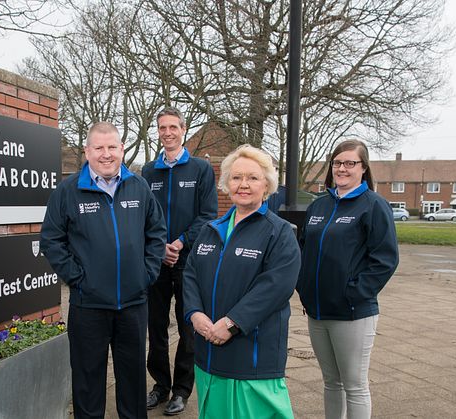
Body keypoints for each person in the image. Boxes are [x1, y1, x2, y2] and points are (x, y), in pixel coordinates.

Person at [40, 122, 167, 419]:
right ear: (87, 151)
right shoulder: (68, 190)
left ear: (122, 149)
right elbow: (51, 239)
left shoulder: (139, 187)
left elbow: (157, 233)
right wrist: (78, 279)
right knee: (87, 383)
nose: (106, 154)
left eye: (112, 147)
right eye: (99, 148)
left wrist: (146, 274)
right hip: (89, 306)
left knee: (134, 382)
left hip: (133, 306)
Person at [182, 144, 300, 419]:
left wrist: (232, 323)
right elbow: (190, 274)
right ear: (226, 183)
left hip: (252, 358)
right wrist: (194, 313)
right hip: (209, 354)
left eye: (252, 178)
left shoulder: (279, 232)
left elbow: (276, 287)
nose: (243, 185)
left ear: (266, 184)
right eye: (236, 177)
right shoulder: (210, 230)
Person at [296, 139, 398, 419]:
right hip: (317, 311)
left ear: (363, 168)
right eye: (338, 163)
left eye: (350, 163)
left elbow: (385, 260)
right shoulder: (319, 206)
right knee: (331, 382)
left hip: (352, 313)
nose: (343, 168)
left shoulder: (373, 206)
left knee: (354, 385)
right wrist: (304, 290)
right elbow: (303, 250)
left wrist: (353, 293)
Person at [141, 107, 218, 415]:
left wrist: (181, 241)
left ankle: (182, 390)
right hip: (156, 261)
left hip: (189, 260)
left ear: (183, 129)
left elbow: (208, 215)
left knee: (189, 327)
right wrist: (160, 246)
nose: (168, 132)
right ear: (157, 132)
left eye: (173, 126)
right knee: (155, 326)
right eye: (162, 127)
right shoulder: (148, 171)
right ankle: (160, 385)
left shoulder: (200, 169)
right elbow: (143, 215)